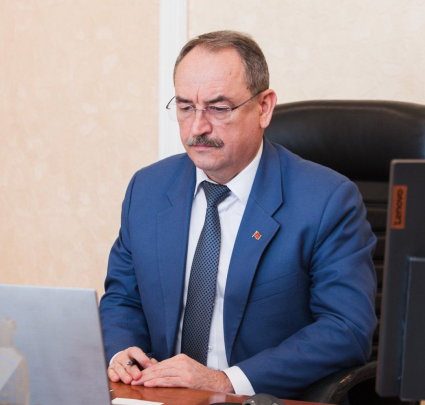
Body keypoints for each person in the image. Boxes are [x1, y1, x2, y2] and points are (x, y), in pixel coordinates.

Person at [99, 30, 377, 399]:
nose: (198, 127)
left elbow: (345, 329)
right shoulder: (147, 189)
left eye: (218, 108)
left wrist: (225, 383)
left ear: (263, 108)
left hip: (261, 399)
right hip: (161, 396)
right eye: (185, 107)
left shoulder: (327, 200)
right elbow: (123, 297)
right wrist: (122, 352)